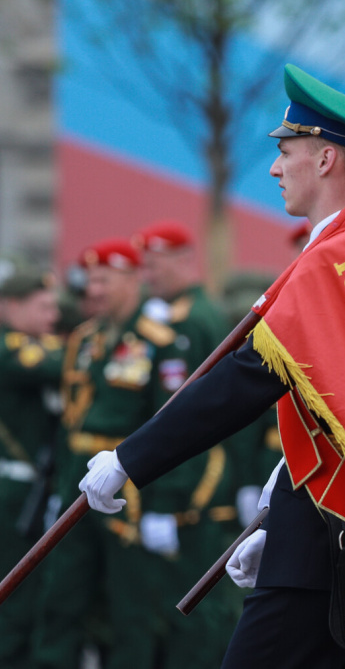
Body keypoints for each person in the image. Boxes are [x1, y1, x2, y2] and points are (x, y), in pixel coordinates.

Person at [77, 65, 345, 669]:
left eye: (286, 152)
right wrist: (276, 517)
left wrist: (130, 460)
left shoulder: (338, 261)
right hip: (338, 535)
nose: (274, 169)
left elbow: (248, 378)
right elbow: (328, 401)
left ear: (326, 159)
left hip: (335, 534)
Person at [31, 240, 176, 669]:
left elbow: (171, 425)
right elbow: (70, 423)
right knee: (61, 594)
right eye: (91, 281)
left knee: (131, 606)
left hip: (128, 485)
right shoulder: (83, 339)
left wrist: (163, 504)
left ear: (133, 280)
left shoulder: (158, 340)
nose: (93, 290)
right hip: (77, 479)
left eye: (104, 280)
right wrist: (59, 489)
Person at [132, 220, 243, 667]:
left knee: (194, 616)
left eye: (156, 264)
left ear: (183, 260)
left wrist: (168, 503)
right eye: (145, 266)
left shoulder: (193, 321)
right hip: (188, 487)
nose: (149, 275)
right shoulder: (182, 315)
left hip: (194, 493)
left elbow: (185, 419)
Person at [0, 268, 62, 668]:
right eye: (42, 307)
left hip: (38, 488)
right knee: (16, 594)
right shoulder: (11, 348)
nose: (52, 316)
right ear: (10, 306)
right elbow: (52, 366)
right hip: (16, 489)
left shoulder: (44, 344)